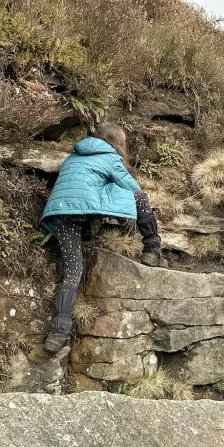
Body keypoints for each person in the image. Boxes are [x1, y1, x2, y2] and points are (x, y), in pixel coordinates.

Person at [40, 123, 166, 354]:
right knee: (140, 197)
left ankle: (57, 334)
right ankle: (152, 248)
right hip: (81, 207)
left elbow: (78, 189)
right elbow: (132, 188)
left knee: (72, 271)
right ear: (117, 142)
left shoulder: (72, 157)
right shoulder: (110, 158)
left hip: (60, 211)